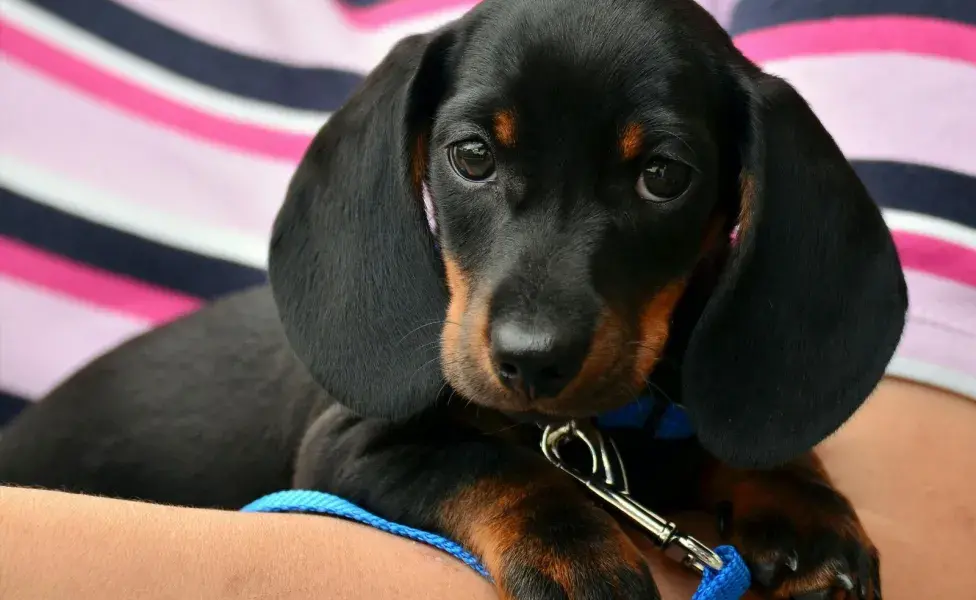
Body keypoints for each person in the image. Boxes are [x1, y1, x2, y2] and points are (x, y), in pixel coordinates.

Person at [1, 1, 973, 598]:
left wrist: (776, 483)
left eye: (658, 177)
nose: (531, 329)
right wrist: (528, 515)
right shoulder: (398, 362)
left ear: (741, 201)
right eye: (477, 159)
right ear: (417, 159)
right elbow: (358, 451)